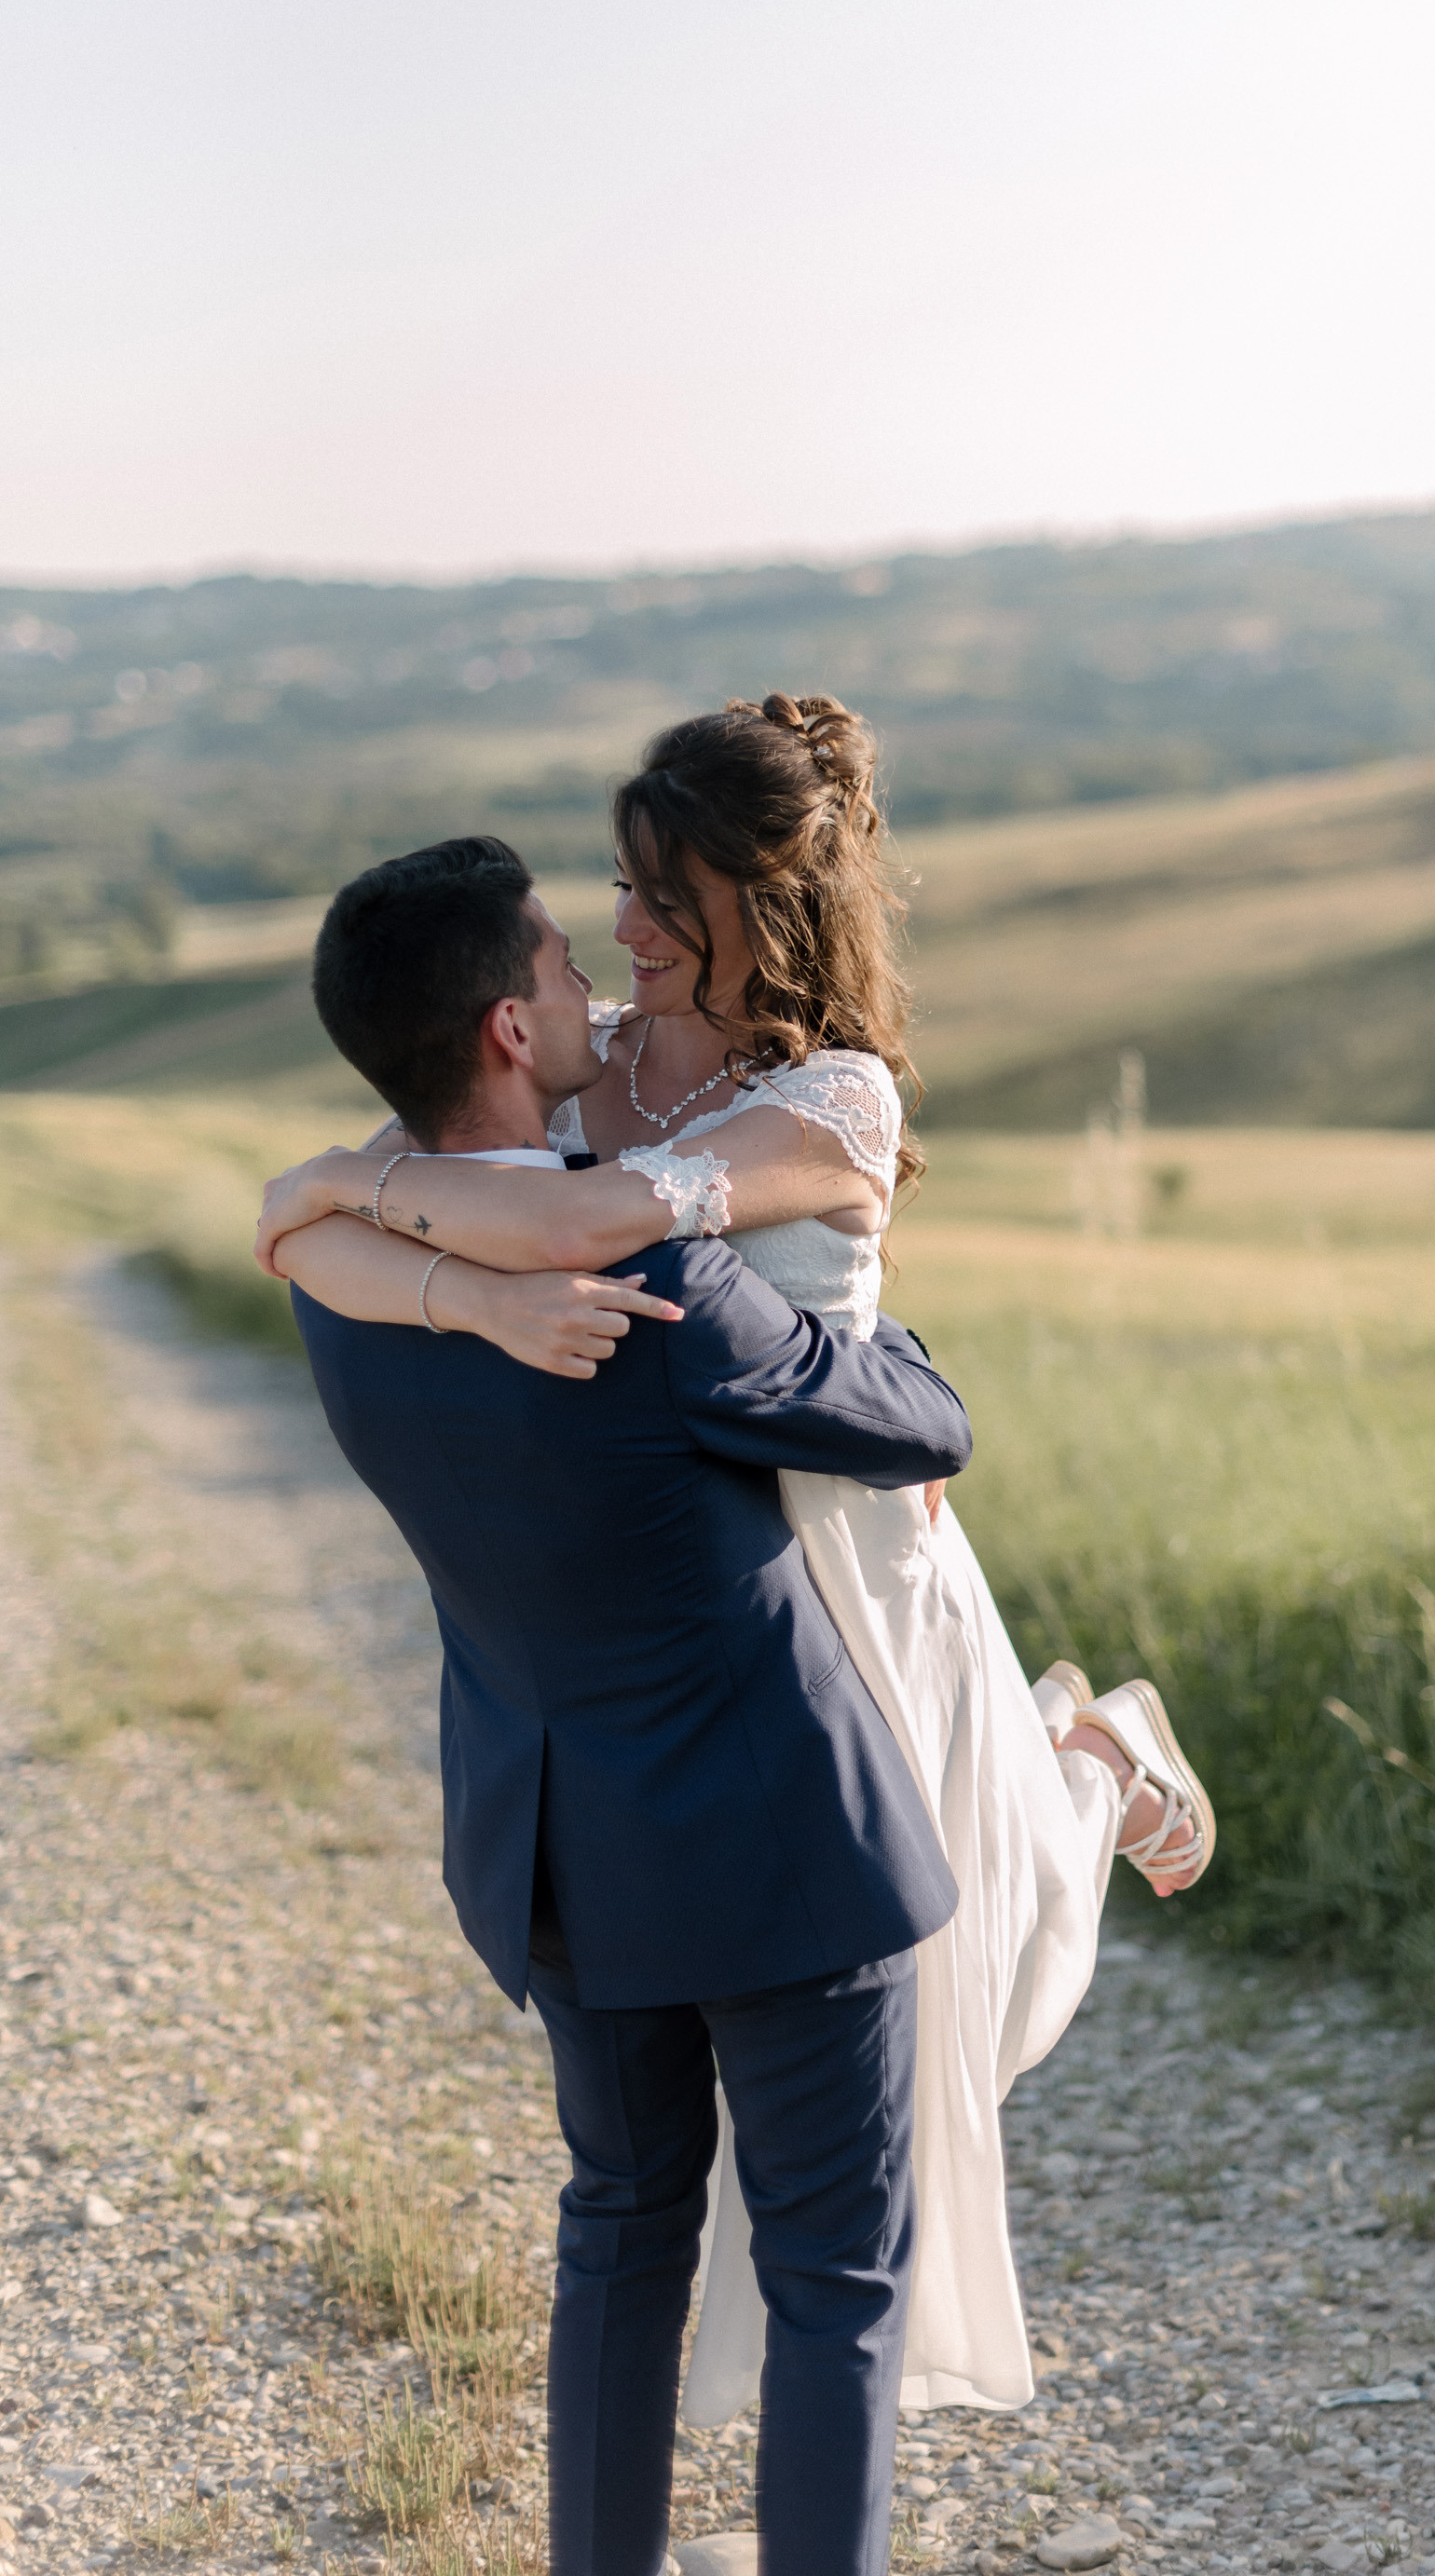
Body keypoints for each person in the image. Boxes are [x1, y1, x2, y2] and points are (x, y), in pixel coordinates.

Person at [257, 696, 1214, 2429]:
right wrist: (413, 1250)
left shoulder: (833, 1100)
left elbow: (568, 1221)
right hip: (708, 1566)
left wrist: (356, 1188)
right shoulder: (595, 1053)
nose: (616, 930)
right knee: (844, 2070)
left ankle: (1099, 1762)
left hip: (856, 1559)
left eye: (651, 893)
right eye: (611, 892)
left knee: (965, 2000)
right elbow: (339, 1233)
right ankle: (800, 2460)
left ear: (752, 906)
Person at [275, 833, 974, 2576]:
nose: (596, 983)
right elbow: (921, 1422)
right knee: (832, 2282)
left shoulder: (350, 1290)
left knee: (619, 2229)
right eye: (562, 970)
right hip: (786, 1857)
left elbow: (312, 1204)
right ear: (511, 1028)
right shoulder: (653, 1292)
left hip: (562, 1854)